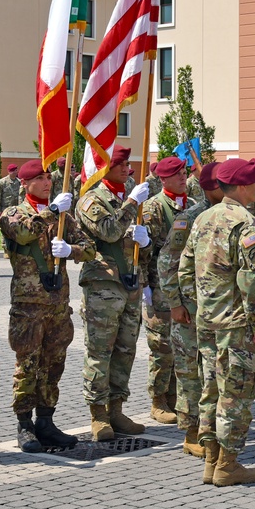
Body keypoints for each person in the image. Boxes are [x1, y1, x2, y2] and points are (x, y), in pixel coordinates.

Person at [178, 158, 255, 487]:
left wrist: (194, 304)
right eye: (254, 183)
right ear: (243, 187)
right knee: (237, 391)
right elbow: (253, 280)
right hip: (235, 324)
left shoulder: (202, 218)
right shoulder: (245, 222)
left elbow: (184, 269)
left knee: (211, 388)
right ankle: (228, 464)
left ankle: (212, 460)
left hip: (206, 322)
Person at [0, 160, 95, 452]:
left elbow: (89, 247)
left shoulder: (63, 216)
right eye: (38, 179)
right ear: (24, 184)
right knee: (27, 366)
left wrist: (71, 250)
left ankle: (46, 422)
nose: (47, 182)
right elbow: (25, 233)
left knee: (54, 366)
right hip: (29, 306)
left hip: (57, 304)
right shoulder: (12, 213)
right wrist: (51, 211)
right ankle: (24, 425)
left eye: (47, 177)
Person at [75, 146, 152, 440]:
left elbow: (130, 234)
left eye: (126, 163)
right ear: (103, 167)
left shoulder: (127, 196)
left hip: (130, 283)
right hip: (103, 285)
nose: (126, 167)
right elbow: (108, 231)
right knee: (100, 352)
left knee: (125, 351)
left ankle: (116, 409)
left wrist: (142, 239)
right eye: (119, 163)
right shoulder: (91, 200)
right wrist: (132, 203)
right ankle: (98, 415)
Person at [156, 161, 222, 457]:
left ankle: (211, 427)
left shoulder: (226, 215)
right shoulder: (190, 218)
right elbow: (167, 262)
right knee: (189, 371)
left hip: (216, 311)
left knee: (212, 371)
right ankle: (192, 433)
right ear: (214, 187)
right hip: (190, 310)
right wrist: (175, 304)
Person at [139, 156, 188, 426]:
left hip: (185, 287)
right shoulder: (154, 208)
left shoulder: (190, 205)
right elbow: (145, 252)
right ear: (163, 179)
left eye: (184, 173)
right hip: (159, 287)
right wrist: (145, 285)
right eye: (177, 174)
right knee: (161, 346)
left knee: (180, 344)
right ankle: (158, 401)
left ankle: (175, 397)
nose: (183, 177)